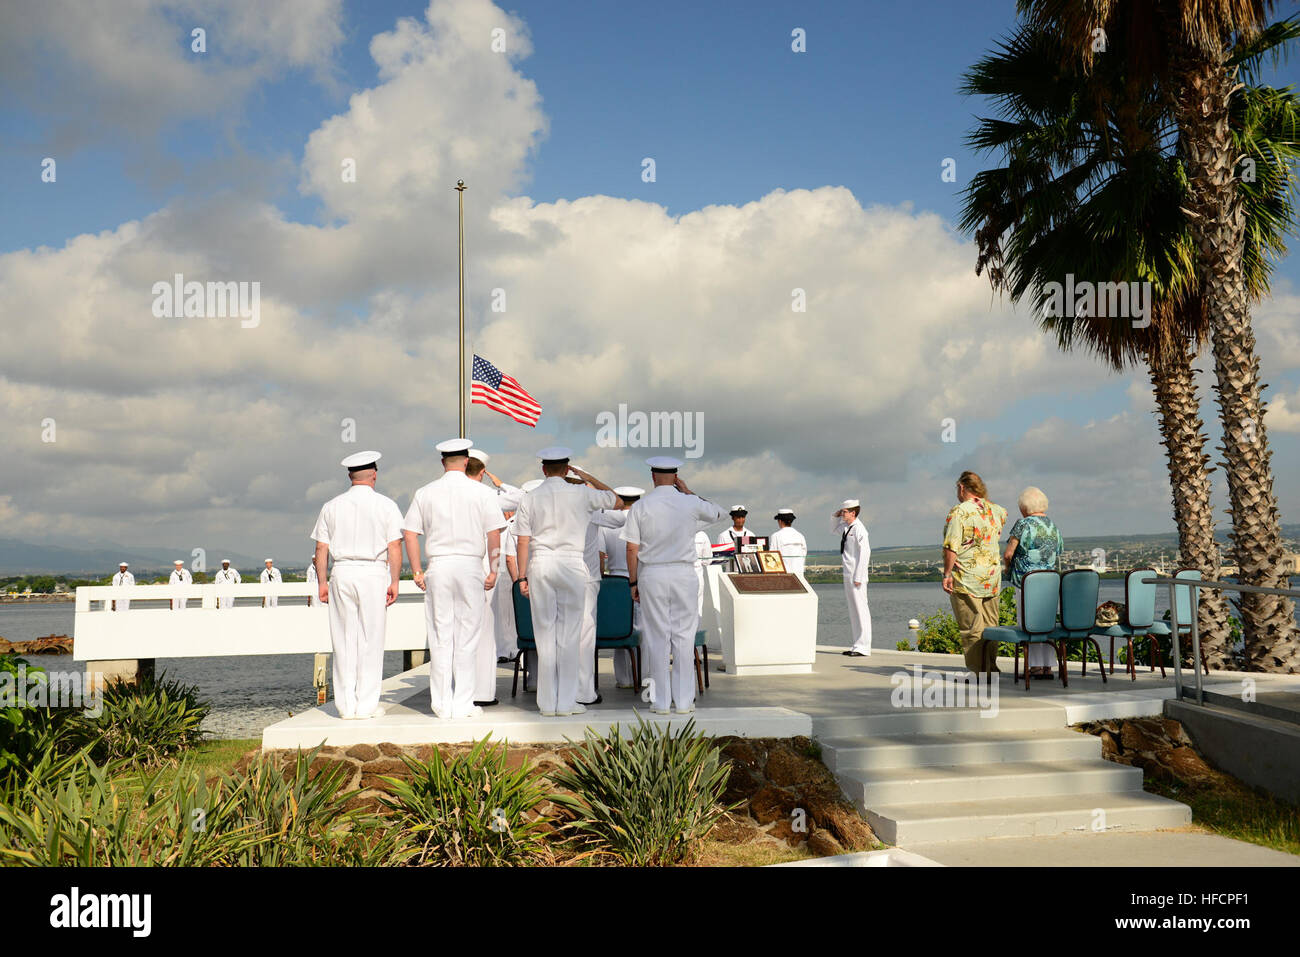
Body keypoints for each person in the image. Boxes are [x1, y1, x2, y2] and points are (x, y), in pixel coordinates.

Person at [403, 438, 505, 720]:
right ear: (465, 461)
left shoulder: (425, 492)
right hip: (470, 565)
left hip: (438, 566)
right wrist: (494, 569)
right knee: (468, 637)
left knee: (440, 636)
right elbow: (494, 534)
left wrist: (416, 571)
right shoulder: (482, 493)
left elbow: (410, 533)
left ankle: (442, 704)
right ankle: (463, 703)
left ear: (442, 462)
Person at [516, 448, 615, 717]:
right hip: (571, 564)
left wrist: (521, 576)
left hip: (540, 563)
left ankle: (548, 704)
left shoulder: (530, 497)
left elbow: (522, 540)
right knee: (571, 634)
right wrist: (586, 476)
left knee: (545, 634)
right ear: (567, 468)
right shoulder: (582, 492)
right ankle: (567, 702)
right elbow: (615, 499)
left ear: (544, 469)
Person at [624, 457, 727, 714]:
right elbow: (720, 512)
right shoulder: (690, 502)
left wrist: (633, 581)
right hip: (683, 573)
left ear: (653, 476)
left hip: (653, 574)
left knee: (657, 638)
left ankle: (660, 703)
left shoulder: (641, 506)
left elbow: (631, 547)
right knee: (683, 637)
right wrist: (689, 492)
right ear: (676, 476)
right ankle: (683, 702)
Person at [310, 450, 404, 720]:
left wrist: (322, 583)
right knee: (371, 639)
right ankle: (366, 705)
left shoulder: (331, 505)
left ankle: (345, 706)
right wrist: (394, 581)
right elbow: (394, 546)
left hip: (342, 571)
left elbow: (321, 547)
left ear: (350, 476)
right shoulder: (386, 505)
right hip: (373, 571)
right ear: (374, 475)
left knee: (343, 639)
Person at [942, 471, 1009, 675]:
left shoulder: (959, 512)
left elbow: (951, 545)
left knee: (972, 628)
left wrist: (946, 574)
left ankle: (977, 672)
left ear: (962, 487)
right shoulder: (997, 511)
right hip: (991, 577)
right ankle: (991, 667)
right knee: (990, 626)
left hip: (967, 577)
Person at [1003, 486, 1064, 678]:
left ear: (1024, 507)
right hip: (1049, 583)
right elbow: (1059, 551)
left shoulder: (1022, 524)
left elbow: (1009, 553)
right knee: (1047, 623)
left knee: (1028, 624)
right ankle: (1047, 667)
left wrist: (1007, 568)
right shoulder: (1053, 526)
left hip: (1027, 582)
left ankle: (1035, 667)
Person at [597, 485, 644, 689]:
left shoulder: (606, 525)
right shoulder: (643, 522)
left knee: (620, 632)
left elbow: (599, 559)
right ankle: (642, 676)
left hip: (615, 583)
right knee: (643, 632)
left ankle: (624, 679)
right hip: (641, 580)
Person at [505, 479, 543, 685]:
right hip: (547, 578)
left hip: (525, 583)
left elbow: (510, 558)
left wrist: (518, 582)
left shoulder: (514, 524)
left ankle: (533, 679)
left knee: (529, 629)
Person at [833, 501, 872, 656]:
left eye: (844, 512)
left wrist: (859, 576)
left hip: (857, 575)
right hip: (848, 574)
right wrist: (834, 516)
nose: (842, 514)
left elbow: (865, 553)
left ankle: (864, 646)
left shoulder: (860, 529)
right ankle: (857, 644)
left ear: (853, 513)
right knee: (853, 611)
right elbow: (832, 528)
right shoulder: (846, 527)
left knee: (861, 610)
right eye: (842, 512)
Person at [769, 509, 807, 575]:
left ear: (780, 521)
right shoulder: (800, 536)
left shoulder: (776, 536)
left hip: (783, 575)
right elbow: (804, 553)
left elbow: (772, 556)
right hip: (799, 574)